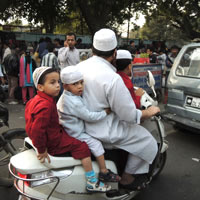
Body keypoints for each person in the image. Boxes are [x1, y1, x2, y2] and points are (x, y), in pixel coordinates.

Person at [77, 28, 160, 191]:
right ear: (114, 53)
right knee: (148, 142)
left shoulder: (80, 67)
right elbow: (128, 115)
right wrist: (148, 112)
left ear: (93, 49)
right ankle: (127, 178)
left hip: (81, 126)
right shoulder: (112, 78)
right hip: (105, 130)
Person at [25, 66, 111, 193]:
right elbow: (38, 130)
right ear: (40, 87)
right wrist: (42, 149)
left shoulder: (36, 100)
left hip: (54, 134)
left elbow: (30, 123)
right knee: (83, 147)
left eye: (58, 82)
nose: (57, 86)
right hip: (54, 141)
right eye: (52, 82)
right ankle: (92, 181)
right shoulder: (46, 105)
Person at [57, 66, 121, 183]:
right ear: (65, 86)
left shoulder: (67, 97)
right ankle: (104, 171)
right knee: (96, 144)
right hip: (75, 133)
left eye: (81, 82)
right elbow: (90, 117)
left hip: (70, 128)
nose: (80, 86)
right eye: (75, 84)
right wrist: (105, 112)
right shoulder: (73, 102)